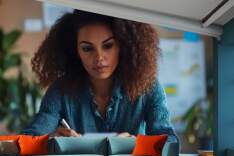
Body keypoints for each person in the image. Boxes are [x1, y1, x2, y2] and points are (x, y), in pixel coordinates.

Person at [22, 10, 178, 143]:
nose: (99, 58)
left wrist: (135, 142)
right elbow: (31, 138)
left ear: (123, 46)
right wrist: (50, 140)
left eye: (108, 46)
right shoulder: (60, 90)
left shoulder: (148, 87)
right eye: (87, 48)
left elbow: (169, 140)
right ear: (75, 51)